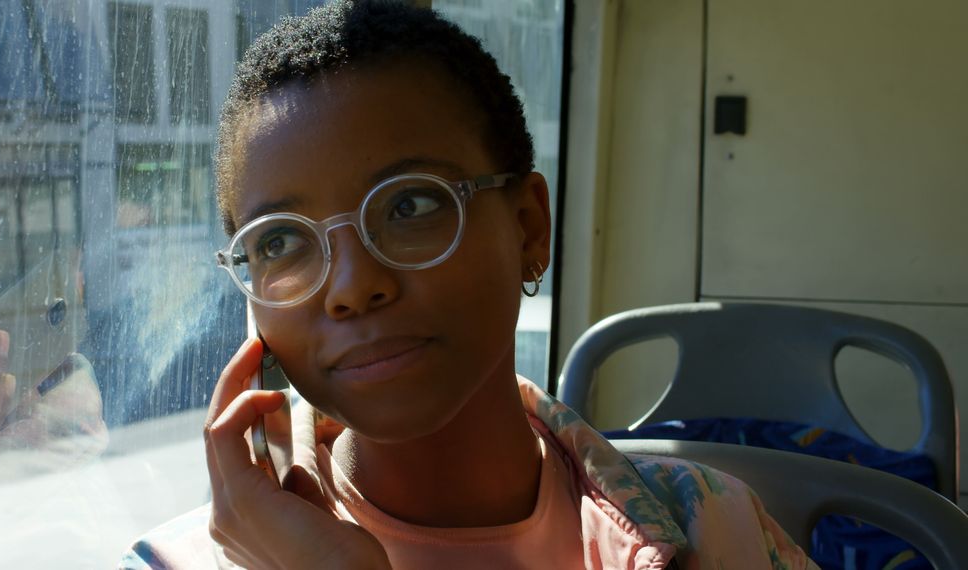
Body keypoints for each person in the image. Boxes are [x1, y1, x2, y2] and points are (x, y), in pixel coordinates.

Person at [122, 2, 817, 568]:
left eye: (410, 206)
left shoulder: (718, 530)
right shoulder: (174, 562)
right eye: (281, 242)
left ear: (527, 228)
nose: (352, 287)